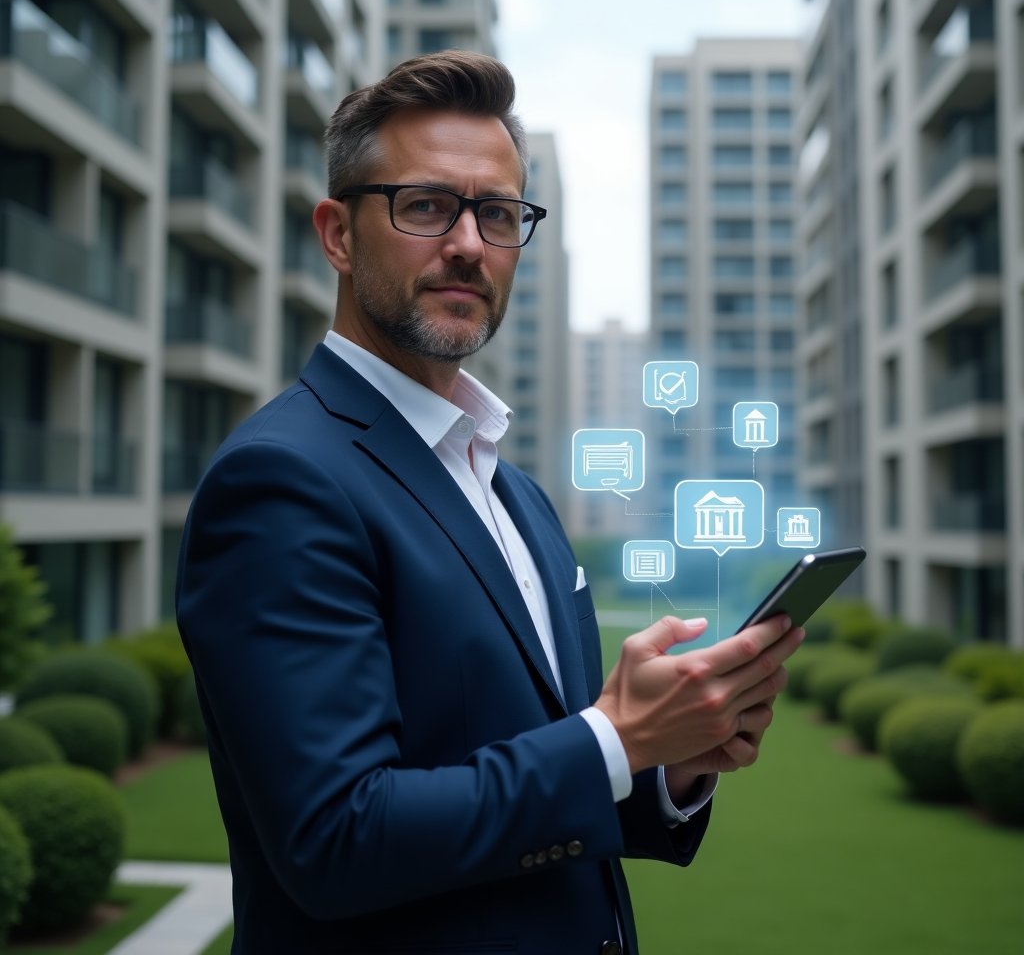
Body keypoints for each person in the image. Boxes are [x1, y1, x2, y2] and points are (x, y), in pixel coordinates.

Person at [176, 50, 804, 955]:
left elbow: (547, 803)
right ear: (338, 234)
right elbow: (336, 840)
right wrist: (609, 743)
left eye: (499, 214)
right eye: (426, 205)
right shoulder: (281, 480)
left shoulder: (515, 492)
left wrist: (665, 763)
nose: (469, 243)